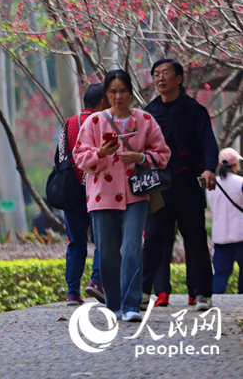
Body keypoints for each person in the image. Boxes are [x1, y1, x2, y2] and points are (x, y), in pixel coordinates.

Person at [74, 70, 171, 322]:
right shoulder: (94, 122)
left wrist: (140, 157)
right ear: (106, 94)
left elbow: (163, 154)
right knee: (106, 251)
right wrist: (101, 152)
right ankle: (114, 305)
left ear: (130, 92)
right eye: (113, 91)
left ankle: (131, 305)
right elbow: (80, 157)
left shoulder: (146, 120)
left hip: (136, 193)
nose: (119, 96)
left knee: (131, 248)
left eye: (123, 91)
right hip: (101, 195)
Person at [141, 59, 219, 311]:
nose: (160, 78)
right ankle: (141, 292)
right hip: (159, 186)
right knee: (152, 239)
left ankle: (203, 294)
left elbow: (208, 142)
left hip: (187, 184)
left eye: (166, 73)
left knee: (195, 238)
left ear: (179, 79)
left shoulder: (194, 110)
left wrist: (209, 168)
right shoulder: (149, 112)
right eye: (156, 74)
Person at [58, 83, 106, 306]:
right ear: (102, 102)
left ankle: (72, 293)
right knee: (101, 240)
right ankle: (96, 281)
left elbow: (59, 158)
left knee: (76, 242)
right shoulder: (103, 123)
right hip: (97, 189)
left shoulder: (68, 124)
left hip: (71, 193)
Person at [207, 148, 243, 294]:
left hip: (220, 236)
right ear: (236, 165)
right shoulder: (241, 182)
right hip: (241, 234)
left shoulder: (210, 183)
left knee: (220, 274)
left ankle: (216, 302)